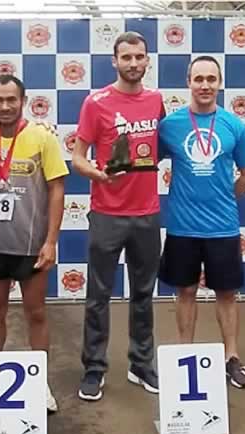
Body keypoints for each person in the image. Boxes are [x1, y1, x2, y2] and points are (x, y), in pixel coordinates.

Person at [72, 31, 163, 401]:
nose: (133, 63)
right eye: (126, 57)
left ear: (147, 60)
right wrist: (96, 173)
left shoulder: (156, 101)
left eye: (139, 57)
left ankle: (141, 364)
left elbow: (159, 149)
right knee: (98, 295)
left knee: (143, 294)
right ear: (114, 61)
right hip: (107, 213)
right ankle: (94, 368)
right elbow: (78, 158)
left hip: (147, 214)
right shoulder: (96, 102)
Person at [157, 56, 245, 389]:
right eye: (198, 79)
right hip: (182, 226)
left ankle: (231, 357)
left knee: (227, 293)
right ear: (188, 82)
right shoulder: (170, 125)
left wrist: (226, 197)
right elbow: (145, 159)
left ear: (219, 83)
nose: (204, 85)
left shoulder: (233, 125)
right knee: (185, 291)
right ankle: (184, 354)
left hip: (223, 226)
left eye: (211, 79)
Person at [0, 75, 68, 412]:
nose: (4, 106)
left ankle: (41, 385)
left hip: (30, 245)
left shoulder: (43, 137)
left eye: (11, 99)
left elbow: (57, 188)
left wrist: (51, 241)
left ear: (23, 101)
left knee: (36, 313)